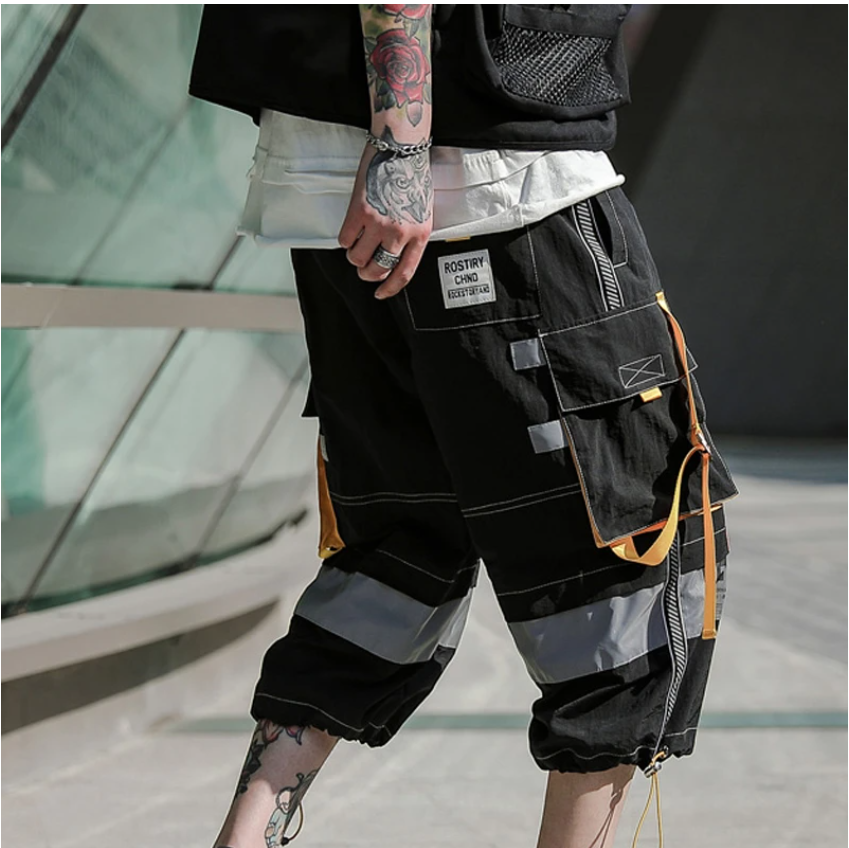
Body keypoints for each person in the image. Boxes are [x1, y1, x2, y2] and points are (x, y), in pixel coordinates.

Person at [189, 6, 737, 847]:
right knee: (635, 561)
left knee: (402, 548)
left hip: (340, 180)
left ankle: (244, 836)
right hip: (487, 178)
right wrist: (400, 148)